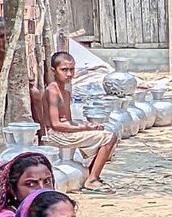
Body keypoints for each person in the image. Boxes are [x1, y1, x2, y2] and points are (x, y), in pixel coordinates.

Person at [42, 51, 118, 194]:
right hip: (56, 135)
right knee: (109, 137)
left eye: (72, 69)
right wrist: (84, 126)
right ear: (53, 71)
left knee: (106, 133)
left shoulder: (66, 91)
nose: (69, 74)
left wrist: (88, 126)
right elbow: (56, 124)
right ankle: (92, 179)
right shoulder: (52, 91)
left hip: (65, 132)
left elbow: (68, 120)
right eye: (64, 70)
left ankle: (90, 175)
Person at [0, 17, 46, 141]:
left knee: (34, 92)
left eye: (6, 36)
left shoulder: (16, 53)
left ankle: (42, 135)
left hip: (12, 92)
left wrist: (25, 81)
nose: (3, 41)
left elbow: (27, 76)